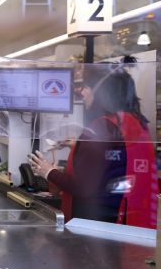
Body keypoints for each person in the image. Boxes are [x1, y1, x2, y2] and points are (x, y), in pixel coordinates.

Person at [30, 57, 158, 229]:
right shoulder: (135, 122)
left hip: (97, 225)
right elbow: (115, 161)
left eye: (86, 87)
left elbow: (83, 188)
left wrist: (48, 171)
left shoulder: (100, 127)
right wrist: (79, 145)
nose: (82, 92)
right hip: (129, 220)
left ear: (102, 92)